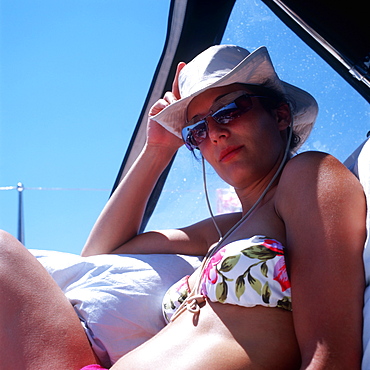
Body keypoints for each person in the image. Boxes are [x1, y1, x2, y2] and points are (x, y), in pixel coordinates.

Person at [0, 44, 366, 369]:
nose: (215, 134)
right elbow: (101, 255)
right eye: (196, 131)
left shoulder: (309, 174)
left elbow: (330, 354)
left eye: (228, 111)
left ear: (281, 115)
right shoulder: (225, 229)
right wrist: (157, 150)